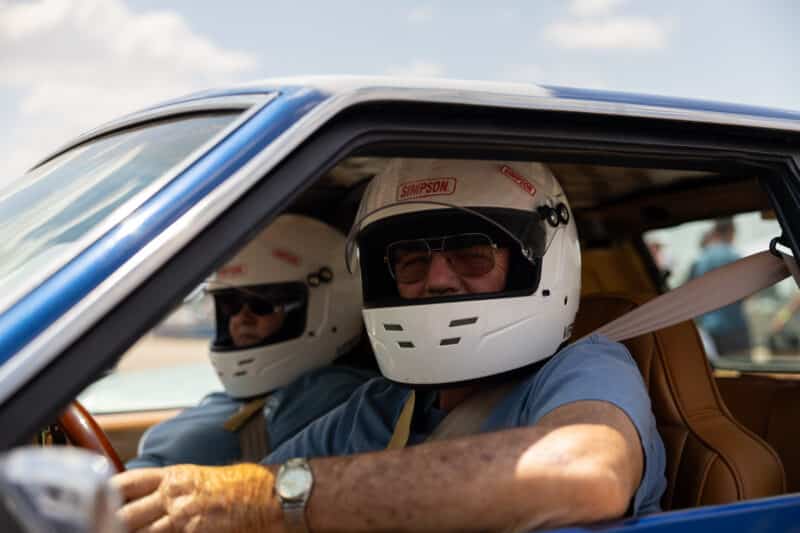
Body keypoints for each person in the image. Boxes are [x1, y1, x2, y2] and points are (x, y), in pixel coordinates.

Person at [113, 159, 666, 532]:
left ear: (534, 263)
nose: (438, 280)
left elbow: (586, 473)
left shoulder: (584, 367)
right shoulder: (379, 405)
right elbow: (250, 489)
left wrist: (274, 499)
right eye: (412, 261)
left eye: (472, 253)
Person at [126, 213, 375, 469]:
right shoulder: (233, 398)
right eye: (230, 305)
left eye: (262, 304)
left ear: (327, 309)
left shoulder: (333, 395)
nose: (240, 319)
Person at [690, 218, 751, 355]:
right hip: (733, 326)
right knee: (741, 364)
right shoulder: (733, 255)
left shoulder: (700, 259)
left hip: (709, 328)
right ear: (731, 231)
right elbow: (747, 291)